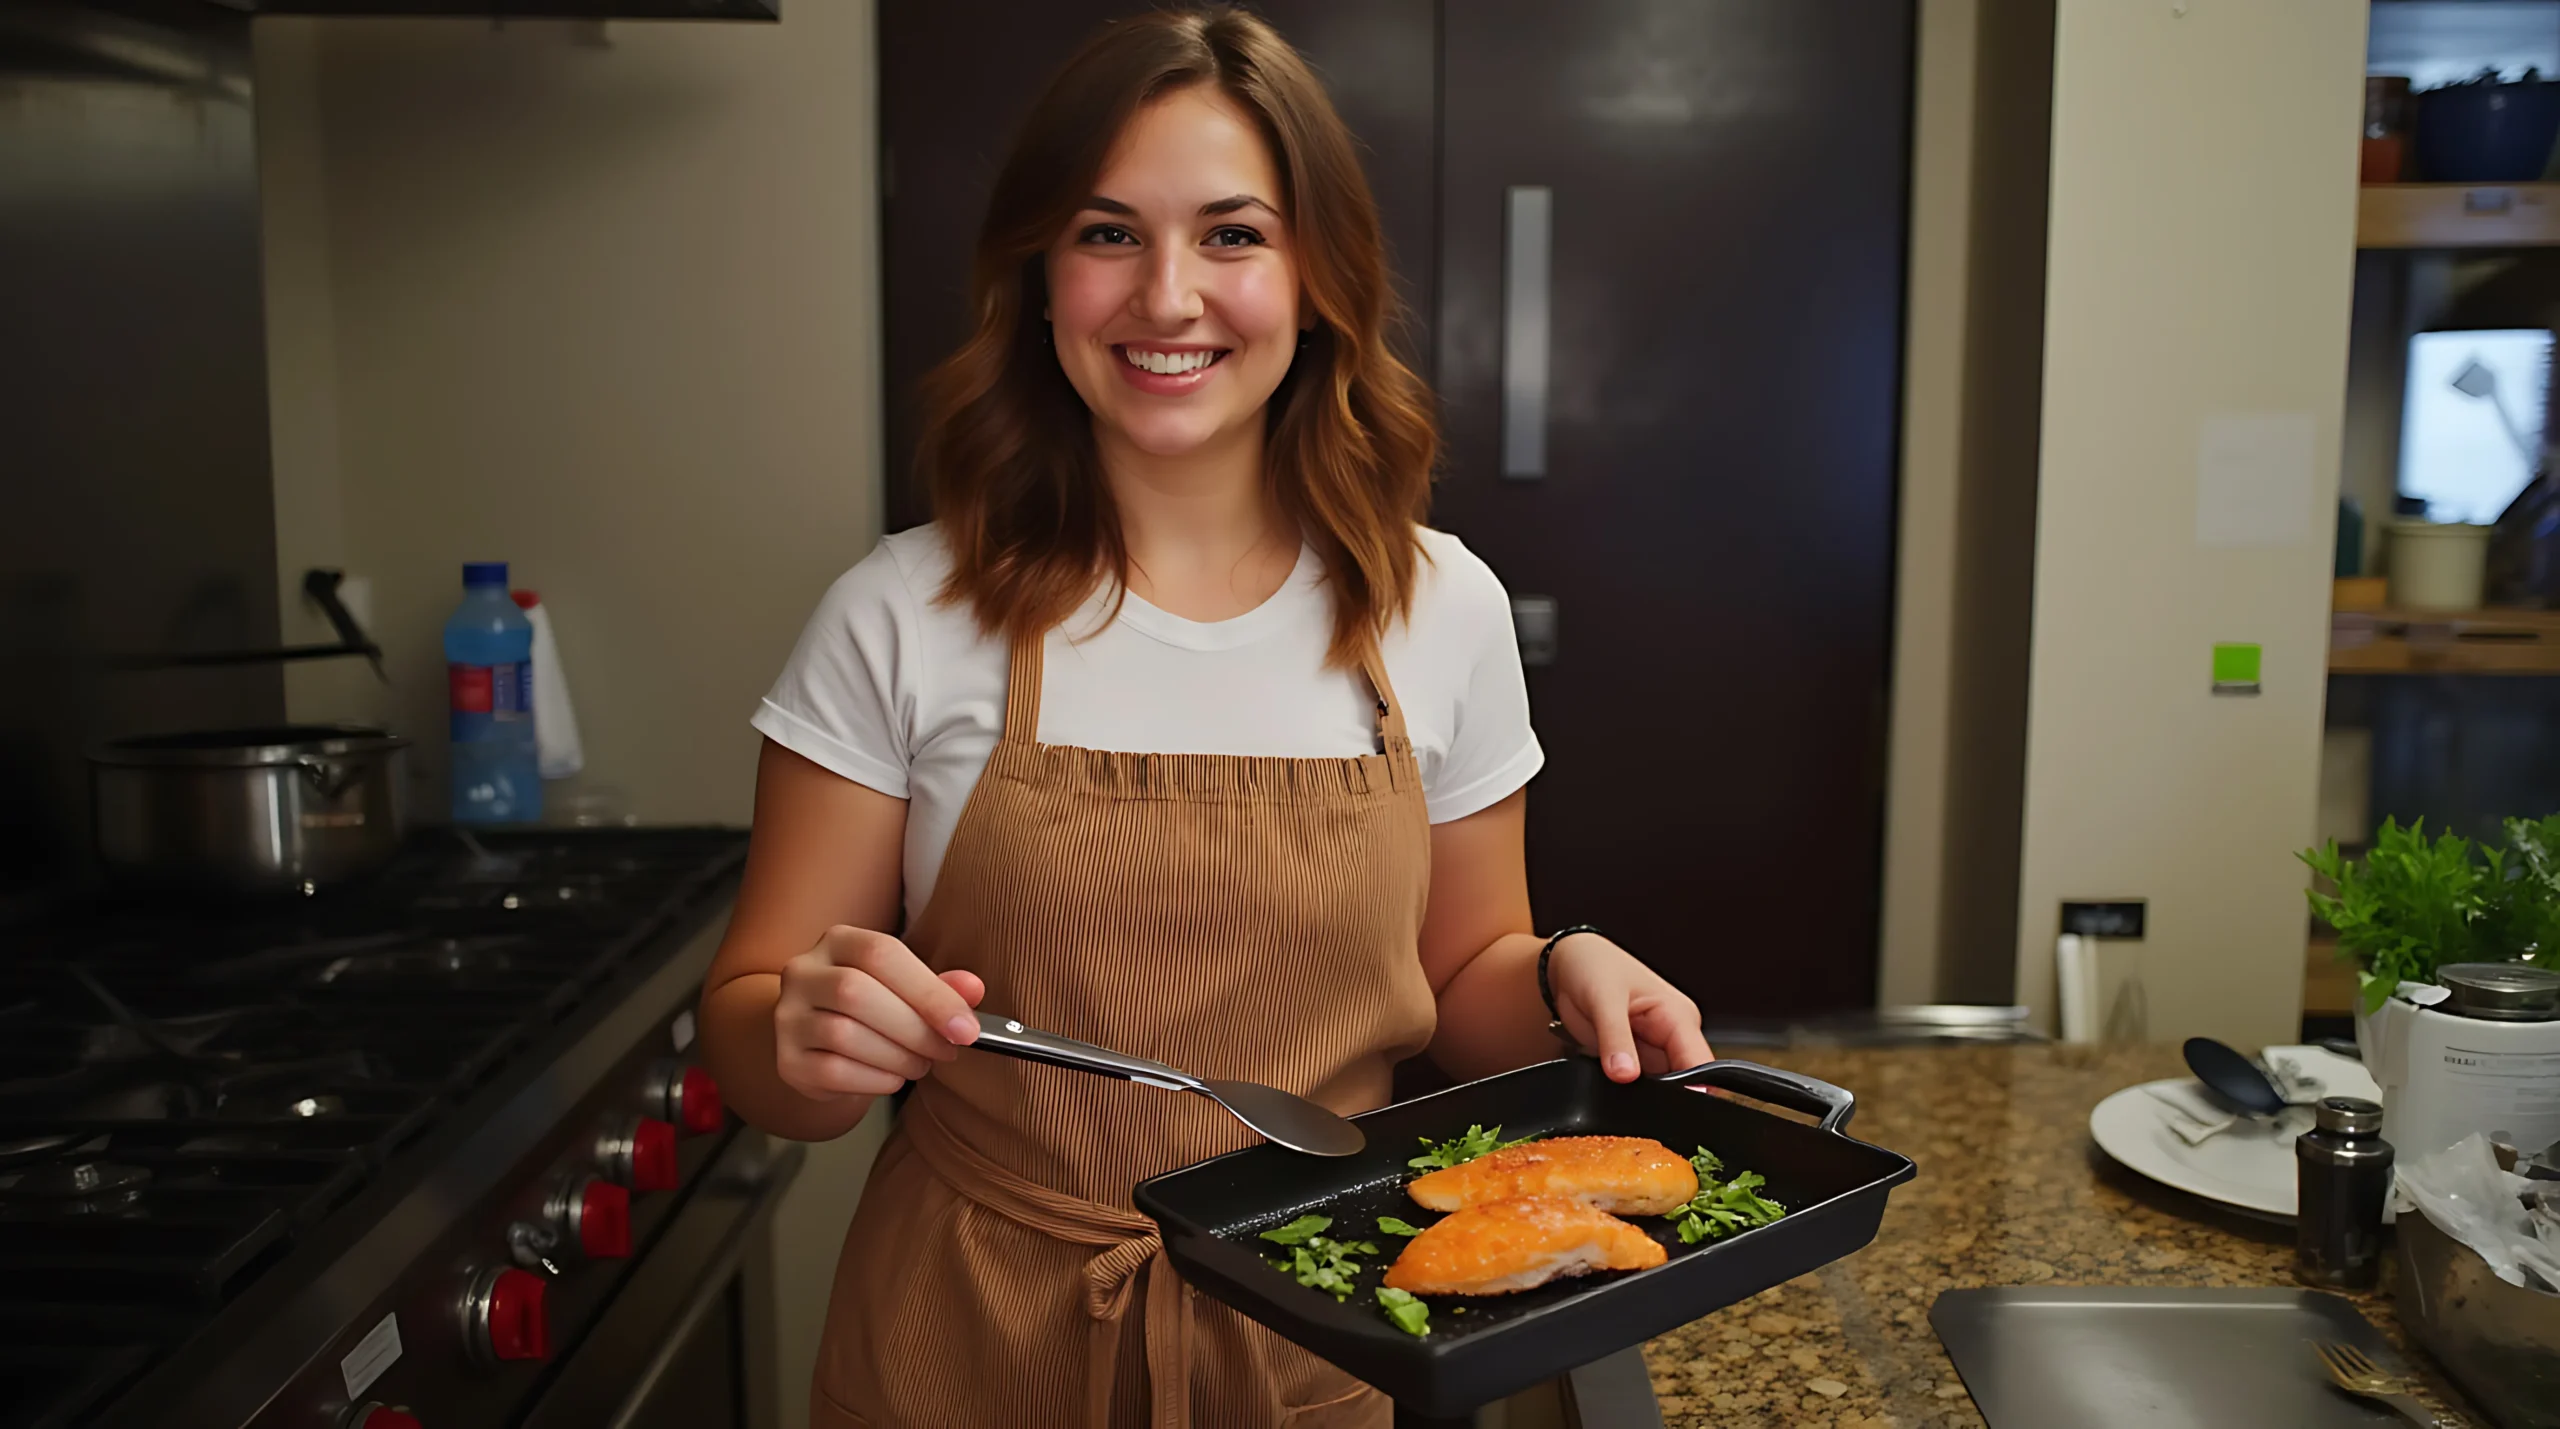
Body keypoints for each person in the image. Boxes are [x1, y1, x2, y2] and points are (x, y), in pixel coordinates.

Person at [697, 9, 1711, 1426]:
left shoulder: (1441, 607)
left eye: (1233, 235)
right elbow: (752, 1037)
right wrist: (803, 1039)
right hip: (970, 1338)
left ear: (1317, 280)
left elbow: (1467, 974)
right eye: (1109, 233)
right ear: (1039, 275)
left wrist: (1562, 972)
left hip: (1327, 1328)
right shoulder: (897, 612)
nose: (1167, 295)